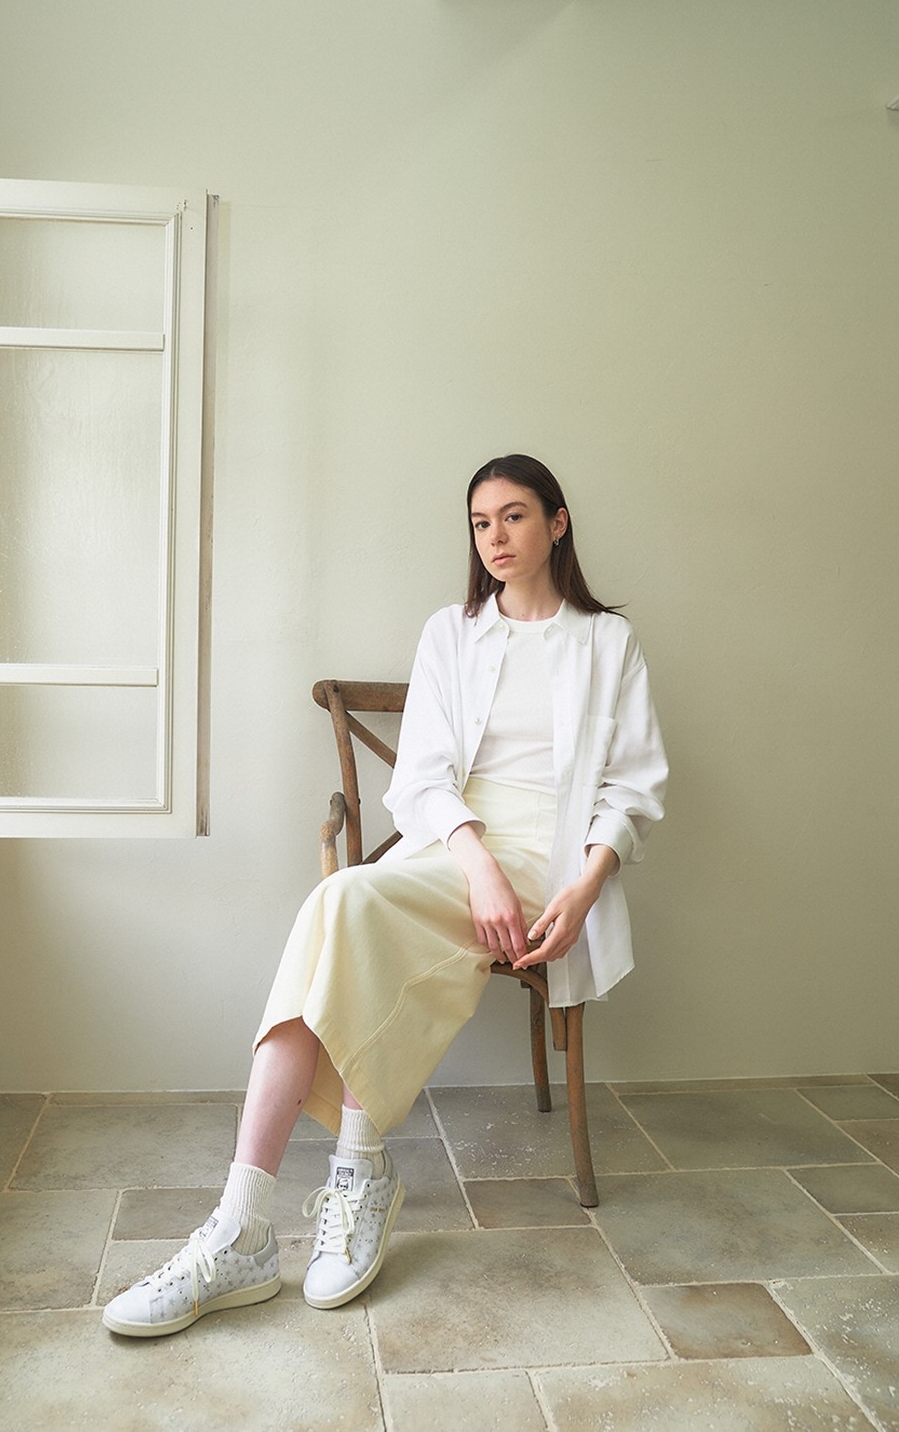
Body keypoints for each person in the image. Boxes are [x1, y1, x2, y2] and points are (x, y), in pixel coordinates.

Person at [103, 453, 667, 1338]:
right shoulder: (452, 632)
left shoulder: (608, 643)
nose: (495, 538)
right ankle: (260, 1213)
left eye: (514, 516)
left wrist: (586, 888)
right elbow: (424, 778)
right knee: (343, 906)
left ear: (558, 523)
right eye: (480, 523)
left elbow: (631, 790)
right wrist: (478, 864)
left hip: (552, 865)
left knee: (346, 909)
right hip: (458, 849)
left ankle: (278, 1217)